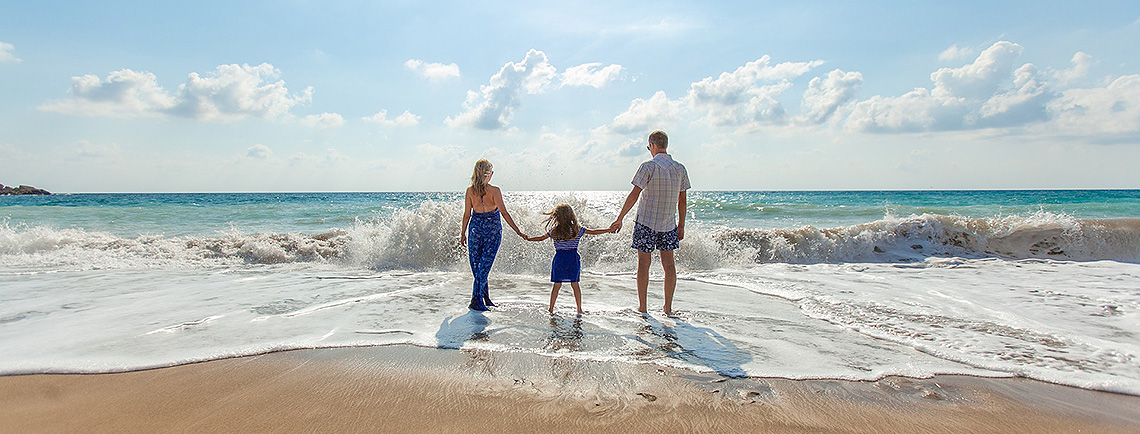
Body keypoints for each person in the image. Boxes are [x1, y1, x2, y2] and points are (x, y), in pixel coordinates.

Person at [609, 130, 690, 315]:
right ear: (666, 145)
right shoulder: (680, 168)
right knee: (669, 265)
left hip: (646, 222)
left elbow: (634, 195)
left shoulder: (648, 167)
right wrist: (682, 225)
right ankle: (668, 308)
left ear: (652, 145)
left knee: (643, 265)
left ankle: (643, 307)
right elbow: (682, 201)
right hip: (669, 224)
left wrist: (620, 218)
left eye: (649, 147)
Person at [524, 204, 613, 314]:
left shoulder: (554, 231)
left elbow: (541, 238)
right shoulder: (577, 229)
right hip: (572, 259)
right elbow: (593, 232)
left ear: (557, 217)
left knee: (557, 285)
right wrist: (608, 230)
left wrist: (528, 239)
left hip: (559, 259)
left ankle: (551, 309)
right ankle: (579, 309)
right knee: (575, 285)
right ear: (571, 215)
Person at [460, 159, 525, 311]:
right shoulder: (494, 190)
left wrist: (463, 233)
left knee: (479, 267)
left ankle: (485, 298)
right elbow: (504, 212)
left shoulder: (470, 191)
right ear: (488, 175)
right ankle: (476, 301)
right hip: (492, 230)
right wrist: (518, 231)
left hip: (475, 229)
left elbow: (467, 215)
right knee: (483, 267)